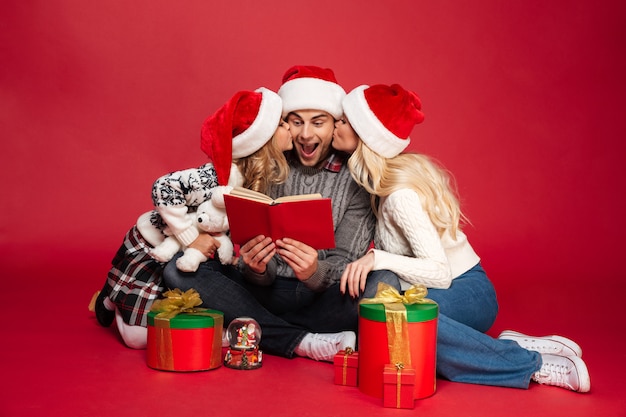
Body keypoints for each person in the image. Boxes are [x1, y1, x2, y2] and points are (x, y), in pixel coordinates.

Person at [333, 83, 591, 392]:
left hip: (467, 289)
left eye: (344, 121)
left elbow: (440, 274)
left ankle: (530, 363)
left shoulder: (399, 194)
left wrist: (377, 258)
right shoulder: (381, 182)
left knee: (405, 330)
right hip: (442, 295)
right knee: (392, 336)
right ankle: (497, 343)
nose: (336, 124)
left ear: (366, 135)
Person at [163, 65, 400, 362]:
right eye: (296, 121)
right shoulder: (269, 162)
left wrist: (314, 272)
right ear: (284, 123)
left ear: (335, 124)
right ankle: (302, 341)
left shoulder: (355, 176)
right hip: (263, 295)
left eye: (318, 122)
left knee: (385, 281)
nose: (306, 134)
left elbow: (346, 264)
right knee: (177, 270)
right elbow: (249, 253)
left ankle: (256, 329)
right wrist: (256, 268)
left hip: (323, 300)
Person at [92, 87, 292, 349]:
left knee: (176, 312)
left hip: (184, 258)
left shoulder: (255, 179)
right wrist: (191, 237)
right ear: (261, 139)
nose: (290, 127)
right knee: (137, 339)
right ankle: (112, 298)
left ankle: (116, 294)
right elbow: (163, 186)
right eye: (281, 123)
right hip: (152, 247)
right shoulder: (217, 175)